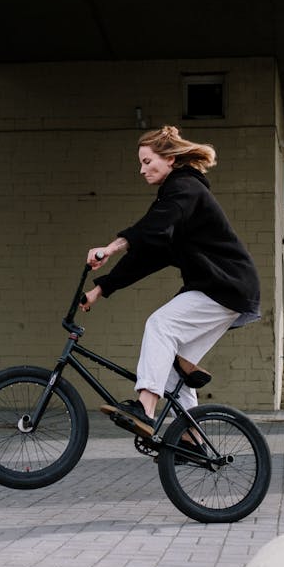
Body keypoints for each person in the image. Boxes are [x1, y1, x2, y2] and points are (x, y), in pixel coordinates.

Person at [81, 125, 260, 437]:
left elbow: (151, 228)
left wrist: (111, 247)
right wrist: (101, 288)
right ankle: (191, 440)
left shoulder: (186, 188)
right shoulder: (176, 198)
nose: (142, 169)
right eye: (140, 163)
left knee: (160, 326)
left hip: (225, 287)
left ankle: (145, 409)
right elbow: (148, 254)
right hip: (224, 289)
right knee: (175, 371)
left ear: (171, 159)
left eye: (147, 162)